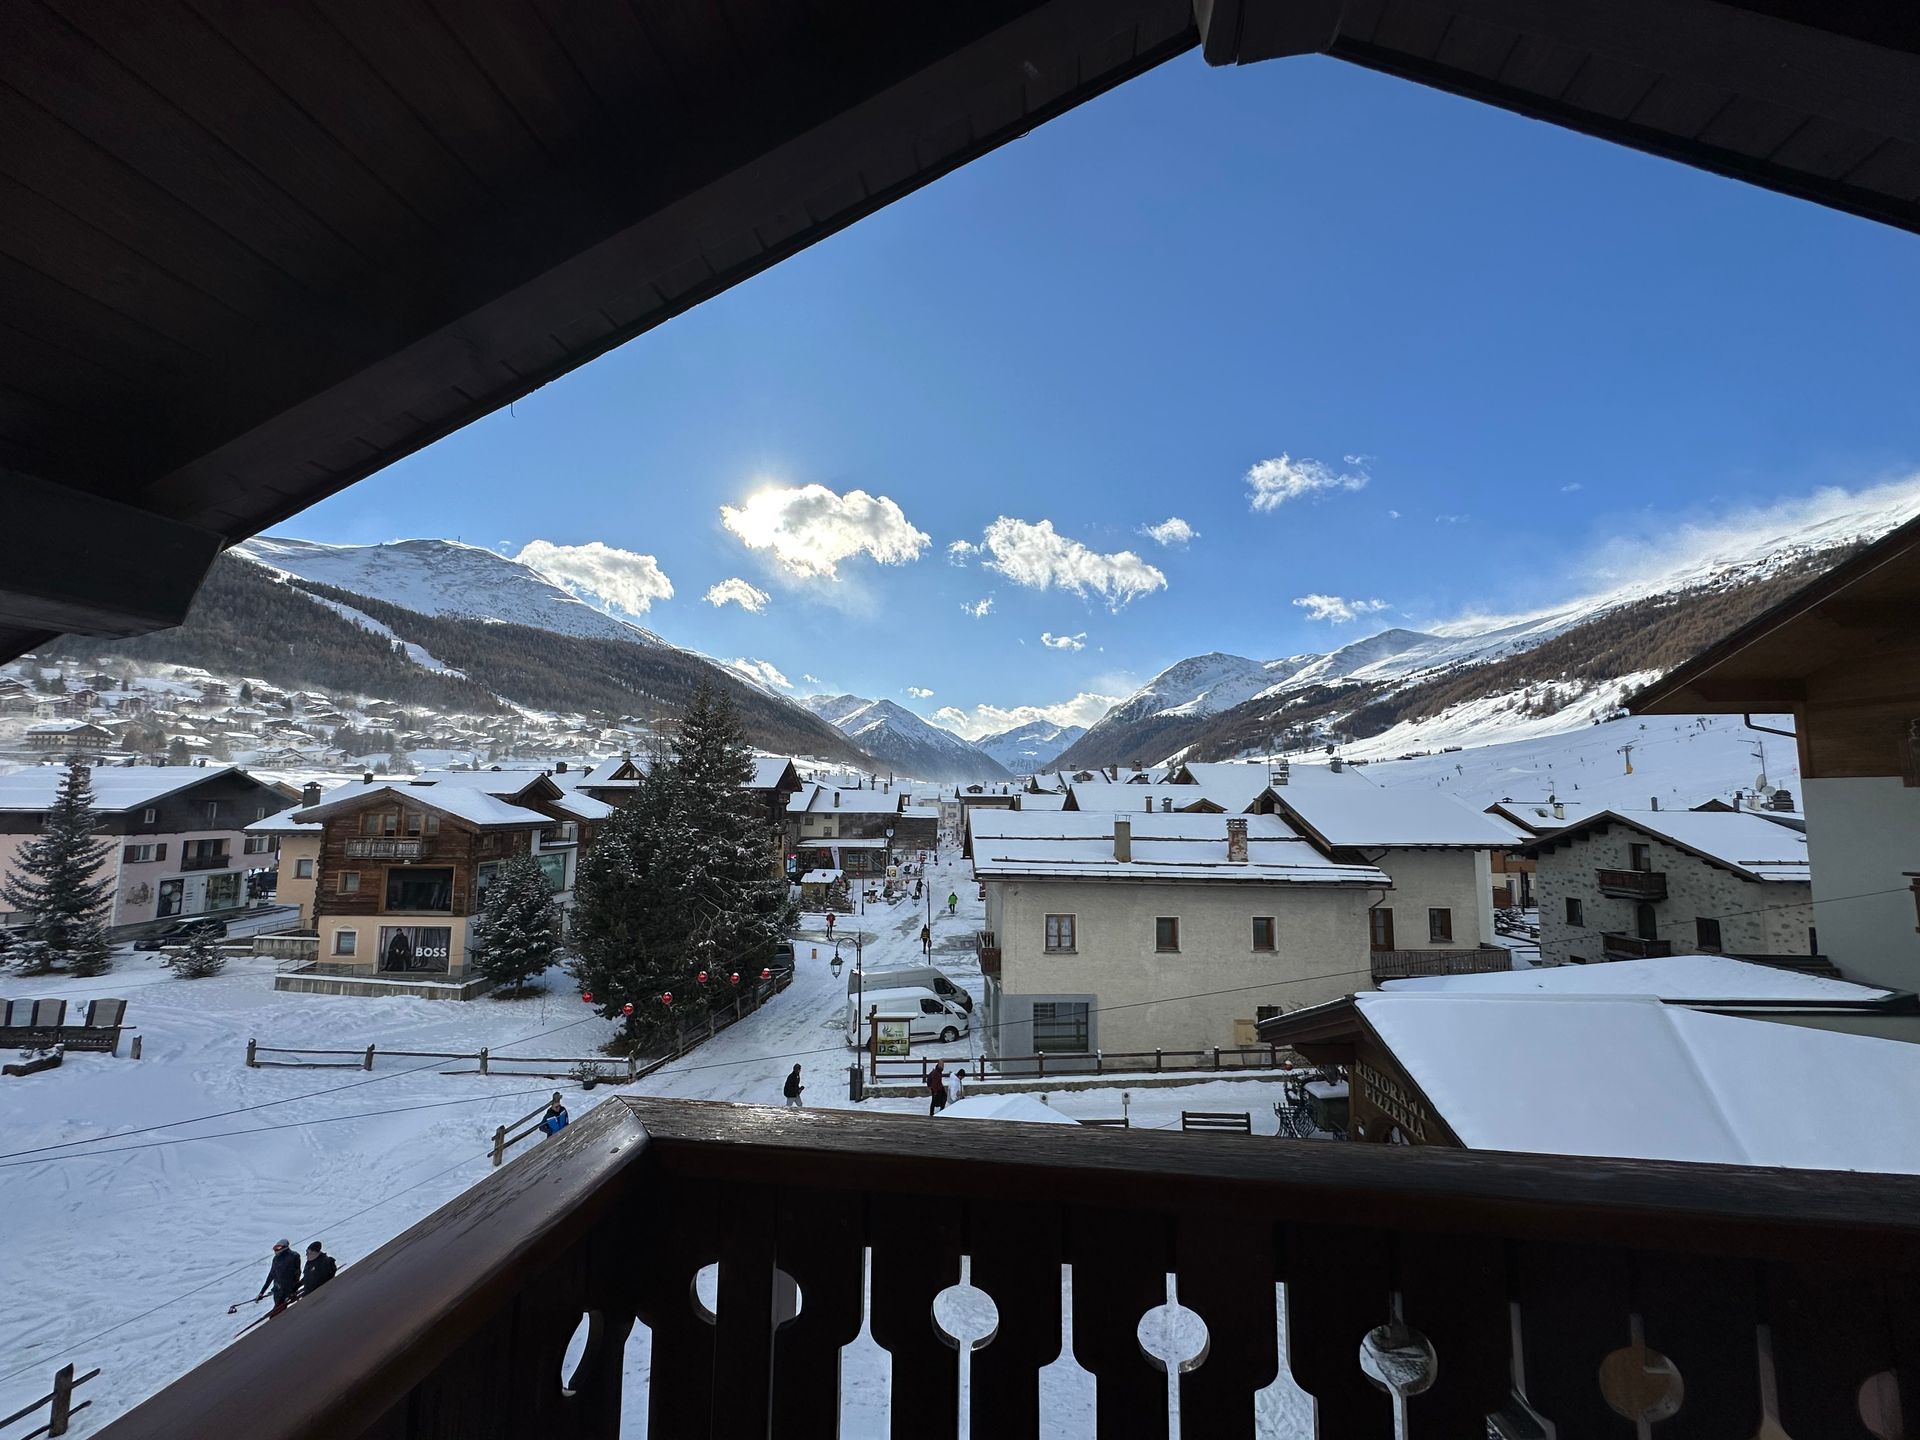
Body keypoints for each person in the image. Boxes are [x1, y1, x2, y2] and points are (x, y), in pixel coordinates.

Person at [257, 1239, 300, 1316]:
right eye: (275, 1249)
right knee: (279, 1312)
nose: (275, 1251)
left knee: (278, 1314)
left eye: (278, 1248)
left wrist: (294, 1289)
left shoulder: (294, 1256)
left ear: (285, 1247)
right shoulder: (275, 1259)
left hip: (288, 1289)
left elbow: (297, 1273)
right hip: (278, 1291)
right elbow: (271, 1275)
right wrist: (261, 1292)